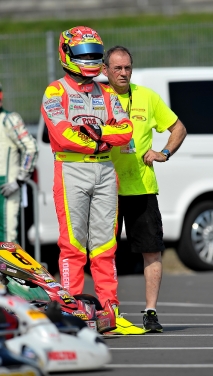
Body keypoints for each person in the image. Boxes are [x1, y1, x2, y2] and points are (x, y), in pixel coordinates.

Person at [41, 26, 145, 335]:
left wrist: (94, 135)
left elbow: (125, 130)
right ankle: (70, 309)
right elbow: (61, 136)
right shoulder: (55, 91)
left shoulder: (107, 92)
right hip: (71, 171)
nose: (91, 60)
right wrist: (101, 138)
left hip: (104, 173)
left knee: (105, 246)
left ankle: (109, 311)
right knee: (73, 246)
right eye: (85, 54)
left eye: (96, 55)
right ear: (68, 55)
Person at [102, 45, 187, 333]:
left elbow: (179, 128)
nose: (124, 73)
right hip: (106, 188)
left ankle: (150, 312)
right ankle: (107, 311)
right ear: (105, 71)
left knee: (151, 251)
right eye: (118, 68)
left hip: (142, 188)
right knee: (103, 253)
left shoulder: (147, 97)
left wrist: (164, 152)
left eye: (128, 67)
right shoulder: (97, 98)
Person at [0, 82, 38, 243]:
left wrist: (20, 179)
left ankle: (7, 269)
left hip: (5, 187)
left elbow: (31, 148)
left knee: (8, 237)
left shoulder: (9, 119)